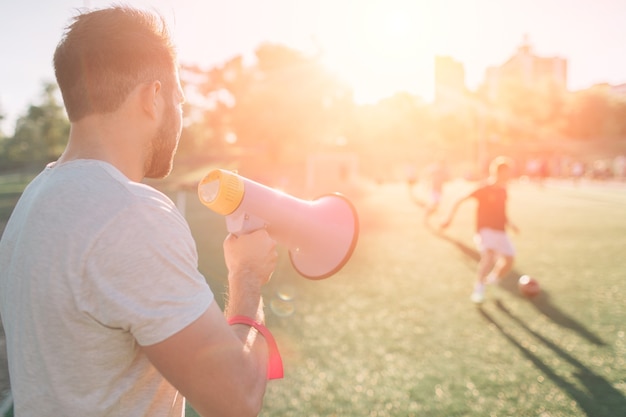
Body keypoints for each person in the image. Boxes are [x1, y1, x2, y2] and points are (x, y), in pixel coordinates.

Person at [0, 6, 279, 417]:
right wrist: (247, 275)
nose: (180, 116)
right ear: (153, 97)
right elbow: (236, 401)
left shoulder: (32, 202)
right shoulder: (130, 214)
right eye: (178, 99)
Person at [440, 156, 519, 303]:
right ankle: (479, 289)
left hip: (500, 231)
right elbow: (459, 200)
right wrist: (449, 218)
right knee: (488, 256)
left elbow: (502, 213)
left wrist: (511, 224)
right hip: (485, 230)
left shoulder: (503, 191)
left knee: (509, 260)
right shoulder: (483, 188)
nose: (509, 175)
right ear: (499, 172)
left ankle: (493, 279)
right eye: (507, 172)